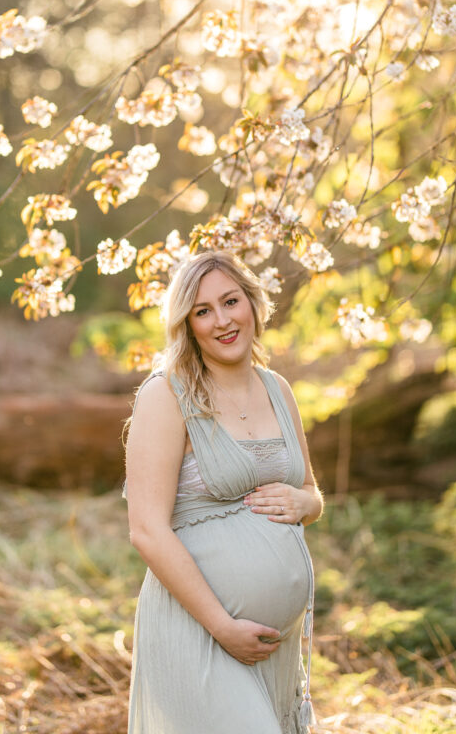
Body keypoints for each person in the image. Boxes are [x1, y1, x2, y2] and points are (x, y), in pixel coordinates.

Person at [124, 249, 324, 734]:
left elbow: (312, 492)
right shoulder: (166, 394)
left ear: (253, 304)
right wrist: (221, 627)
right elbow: (147, 531)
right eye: (202, 311)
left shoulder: (278, 388)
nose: (222, 321)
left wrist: (306, 504)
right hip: (200, 634)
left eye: (231, 301)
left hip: (274, 646)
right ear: (187, 325)